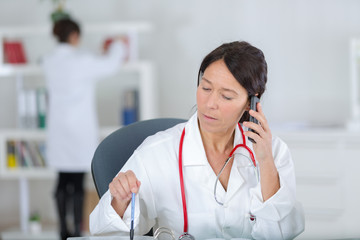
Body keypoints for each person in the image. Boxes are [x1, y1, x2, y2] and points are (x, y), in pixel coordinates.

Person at [89, 41, 305, 239]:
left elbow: (283, 233)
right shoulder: (157, 152)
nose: (210, 103)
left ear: (251, 101)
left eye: (226, 96)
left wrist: (266, 162)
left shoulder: (273, 151)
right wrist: (121, 200)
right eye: (206, 88)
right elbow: (107, 233)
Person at [42, 18, 127, 240]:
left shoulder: (49, 61)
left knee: (62, 179)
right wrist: (117, 45)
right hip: (79, 128)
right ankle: (77, 230)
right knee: (78, 182)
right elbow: (111, 64)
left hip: (58, 127)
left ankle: (62, 230)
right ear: (74, 36)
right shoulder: (82, 61)